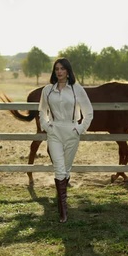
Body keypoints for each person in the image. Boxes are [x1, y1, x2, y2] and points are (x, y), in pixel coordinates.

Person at [38, 58, 93, 223]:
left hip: (72, 131)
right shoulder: (47, 90)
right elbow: (42, 110)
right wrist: (47, 126)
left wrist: (80, 129)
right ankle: (63, 212)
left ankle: (61, 197)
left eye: (62, 69)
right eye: (57, 69)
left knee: (66, 169)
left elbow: (88, 111)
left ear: (68, 71)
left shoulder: (77, 89)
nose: (59, 72)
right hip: (54, 132)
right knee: (60, 170)